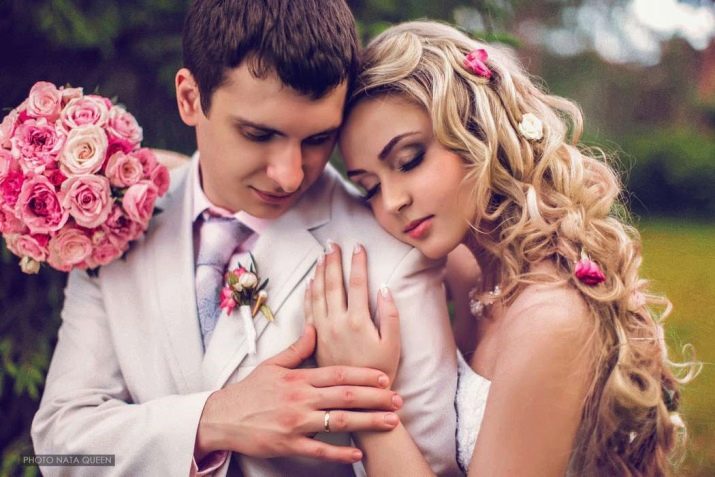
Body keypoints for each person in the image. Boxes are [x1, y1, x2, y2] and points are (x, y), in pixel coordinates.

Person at [31, 5, 461, 477]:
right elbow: (58, 448)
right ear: (190, 98)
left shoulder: (392, 260)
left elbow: (433, 467)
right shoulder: (112, 224)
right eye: (258, 134)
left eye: (318, 139)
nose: (289, 175)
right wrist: (210, 421)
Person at [306, 21, 699, 476]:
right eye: (370, 187)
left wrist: (362, 399)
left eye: (409, 160)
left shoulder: (550, 319)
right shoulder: (463, 266)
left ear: (478, 131)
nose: (392, 201)